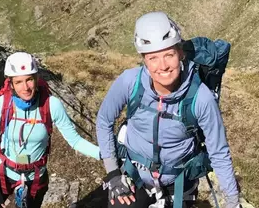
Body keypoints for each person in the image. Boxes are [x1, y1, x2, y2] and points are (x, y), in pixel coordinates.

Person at [96, 12, 240, 208]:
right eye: (153, 58)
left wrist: (233, 202)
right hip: (134, 175)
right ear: (144, 59)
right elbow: (104, 120)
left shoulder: (201, 98)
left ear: (181, 53)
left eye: (169, 55)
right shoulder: (130, 82)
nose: (162, 66)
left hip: (179, 184)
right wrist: (113, 173)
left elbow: (219, 152)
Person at [0, 52, 100, 208]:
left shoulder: (51, 105)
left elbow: (76, 141)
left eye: (29, 80)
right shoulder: (0, 105)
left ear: (36, 79)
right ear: (10, 83)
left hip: (34, 177)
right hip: (3, 172)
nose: (25, 87)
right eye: (18, 82)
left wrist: (106, 154)